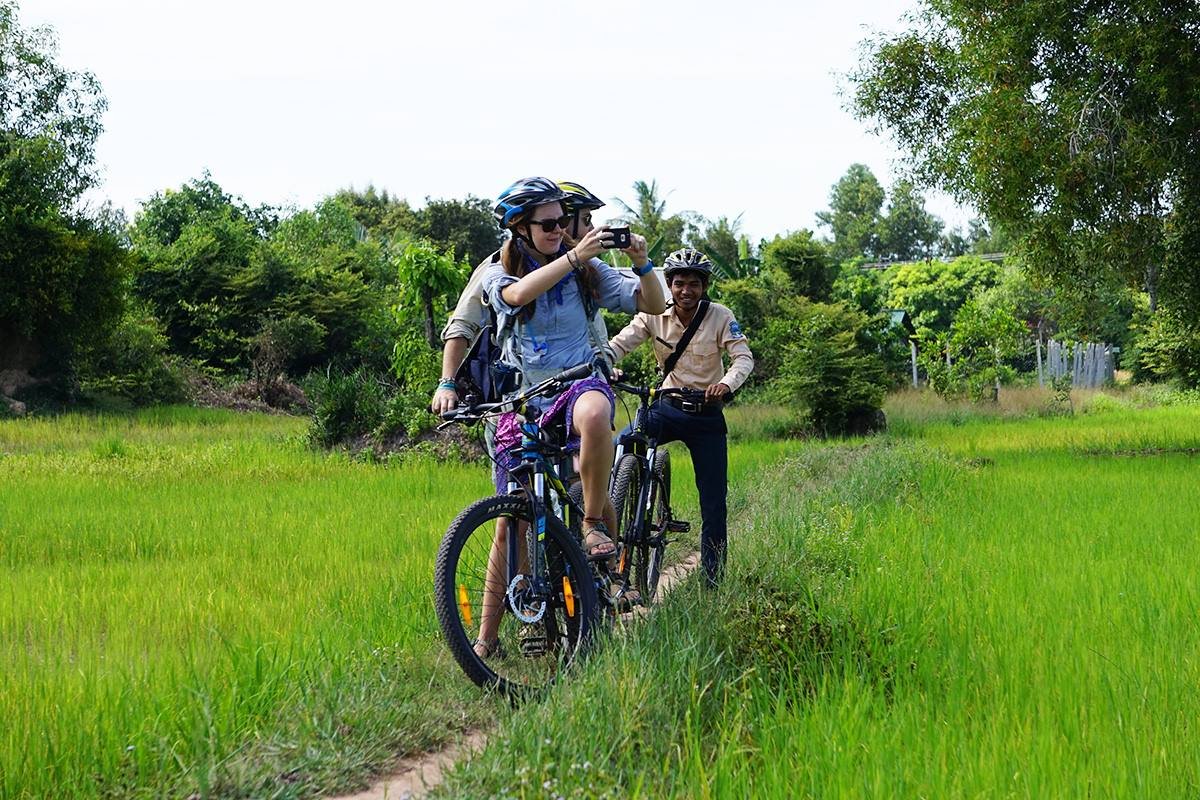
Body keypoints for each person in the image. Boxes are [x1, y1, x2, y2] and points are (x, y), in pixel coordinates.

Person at [471, 177, 665, 657]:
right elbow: (516, 298)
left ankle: (594, 525)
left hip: (577, 383)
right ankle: (485, 637)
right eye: (549, 223)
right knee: (508, 519)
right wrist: (575, 257)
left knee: (598, 413)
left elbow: (654, 304)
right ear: (519, 228)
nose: (560, 229)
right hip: (524, 399)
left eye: (564, 221)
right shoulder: (500, 273)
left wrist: (642, 263)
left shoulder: (588, 270)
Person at [608, 247, 754, 587]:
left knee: (714, 502)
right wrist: (606, 362)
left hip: (707, 416)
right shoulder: (653, 313)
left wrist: (725, 385)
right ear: (669, 285)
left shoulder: (720, 316)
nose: (685, 291)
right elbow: (620, 343)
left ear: (704, 287)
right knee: (621, 445)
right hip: (667, 407)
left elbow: (743, 357)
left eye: (693, 284)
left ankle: (712, 581)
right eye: (678, 284)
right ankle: (620, 521)